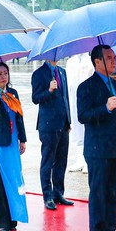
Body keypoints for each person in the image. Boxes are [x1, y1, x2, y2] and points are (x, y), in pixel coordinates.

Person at [77, 45, 116, 231]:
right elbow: (83, 116)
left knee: (113, 194)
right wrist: (105, 108)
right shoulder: (86, 87)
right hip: (97, 149)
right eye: (108, 58)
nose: (113, 61)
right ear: (97, 61)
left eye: (113, 57)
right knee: (99, 194)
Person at [0, 61, 28, 231]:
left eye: (5, 73)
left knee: (13, 180)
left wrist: (22, 139)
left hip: (11, 143)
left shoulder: (12, 93)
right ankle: (1, 221)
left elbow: (19, 117)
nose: (4, 77)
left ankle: (13, 218)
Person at [31, 58, 73, 210]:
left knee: (62, 160)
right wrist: (48, 91)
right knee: (48, 160)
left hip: (63, 123)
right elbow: (35, 98)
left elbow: (66, 98)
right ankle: (47, 196)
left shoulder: (62, 72)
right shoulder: (39, 74)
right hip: (48, 125)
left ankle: (58, 193)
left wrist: (68, 120)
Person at [66, 53, 94, 173]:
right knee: (77, 130)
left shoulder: (90, 61)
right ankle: (79, 159)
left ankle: (89, 160)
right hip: (73, 99)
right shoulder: (70, 62)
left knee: (87, 128)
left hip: (86, 98)